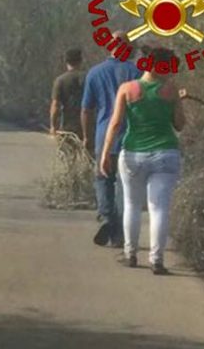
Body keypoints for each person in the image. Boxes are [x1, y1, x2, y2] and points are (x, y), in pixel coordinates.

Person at [100, 47, 186, 275]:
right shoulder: (171, 91)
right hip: (165, 153)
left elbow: (116, 124)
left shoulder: (127, 90)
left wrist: (105, 154)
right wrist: (178, 101)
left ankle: (130, 254)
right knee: (159, 208)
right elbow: (179, 124)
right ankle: (156, 260)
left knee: (132, 205)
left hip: (133, 154)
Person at [81, 31, 141, 247]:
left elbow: (87, 109)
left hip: (103, 133)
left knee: (103, 178)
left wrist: (86, 136)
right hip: (130, 135)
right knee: (125, 185)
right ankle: (119, 233)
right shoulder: (137, 72)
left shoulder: (94, 73)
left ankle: (107, 217)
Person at [50, 48, 85, 136]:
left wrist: (53, 126)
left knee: (67, 149)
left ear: (66, 62)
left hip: (68, 125)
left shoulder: (60, 80)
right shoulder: (88, 78)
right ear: (80, 61)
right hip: (87, 125)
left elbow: (55, 105)